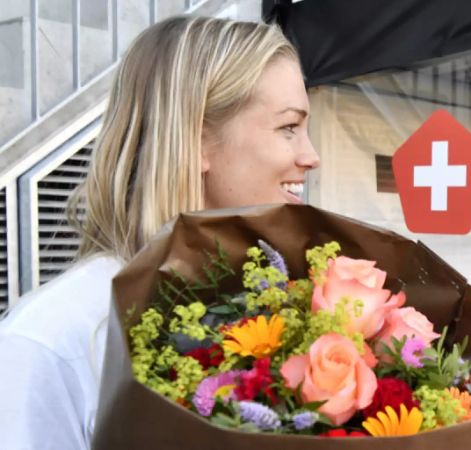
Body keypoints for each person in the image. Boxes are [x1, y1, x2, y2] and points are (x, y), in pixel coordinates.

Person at [0, 16, 319, 450]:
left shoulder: (285, 312)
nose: (311, 156)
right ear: (198, 139)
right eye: (288, 128)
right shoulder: (51, 341)